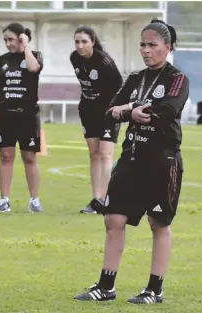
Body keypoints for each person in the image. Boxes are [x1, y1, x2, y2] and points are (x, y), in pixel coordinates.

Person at [74, 18, 189, 304]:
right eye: (142, 44)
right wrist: (130, 111)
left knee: (158, 222)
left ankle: (154, 289)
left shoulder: (177, 79)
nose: (146, 50)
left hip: (162, 160)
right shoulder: (135, 79)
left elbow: (167, 111)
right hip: (132, 157)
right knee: (113, 218)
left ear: (167, 46)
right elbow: (109, 110)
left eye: (152, 45)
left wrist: (131, 109)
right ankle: (106, 287)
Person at [0, 22, 44, 213]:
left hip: (27, 116)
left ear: (21, 38)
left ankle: (34, 200)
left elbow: (34, 68)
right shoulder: (2, 60)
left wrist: (26, 46)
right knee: (5, 157)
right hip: (5, 116)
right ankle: (4, 200)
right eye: (5, 40)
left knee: (30, 157)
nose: (8, 43)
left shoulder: (34, 56)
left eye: (11, 39)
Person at [70, 26, 123, 214]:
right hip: (88, 111)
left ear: (92, 42)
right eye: (77, 41)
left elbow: (119, 84)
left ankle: (107, 199)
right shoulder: (74, 58)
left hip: (107, 112)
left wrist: (116, 109)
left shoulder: (103, 60)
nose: (80, 45)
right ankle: (96, 200)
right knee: (93, 154)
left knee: (105, 154)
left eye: (84, 41)